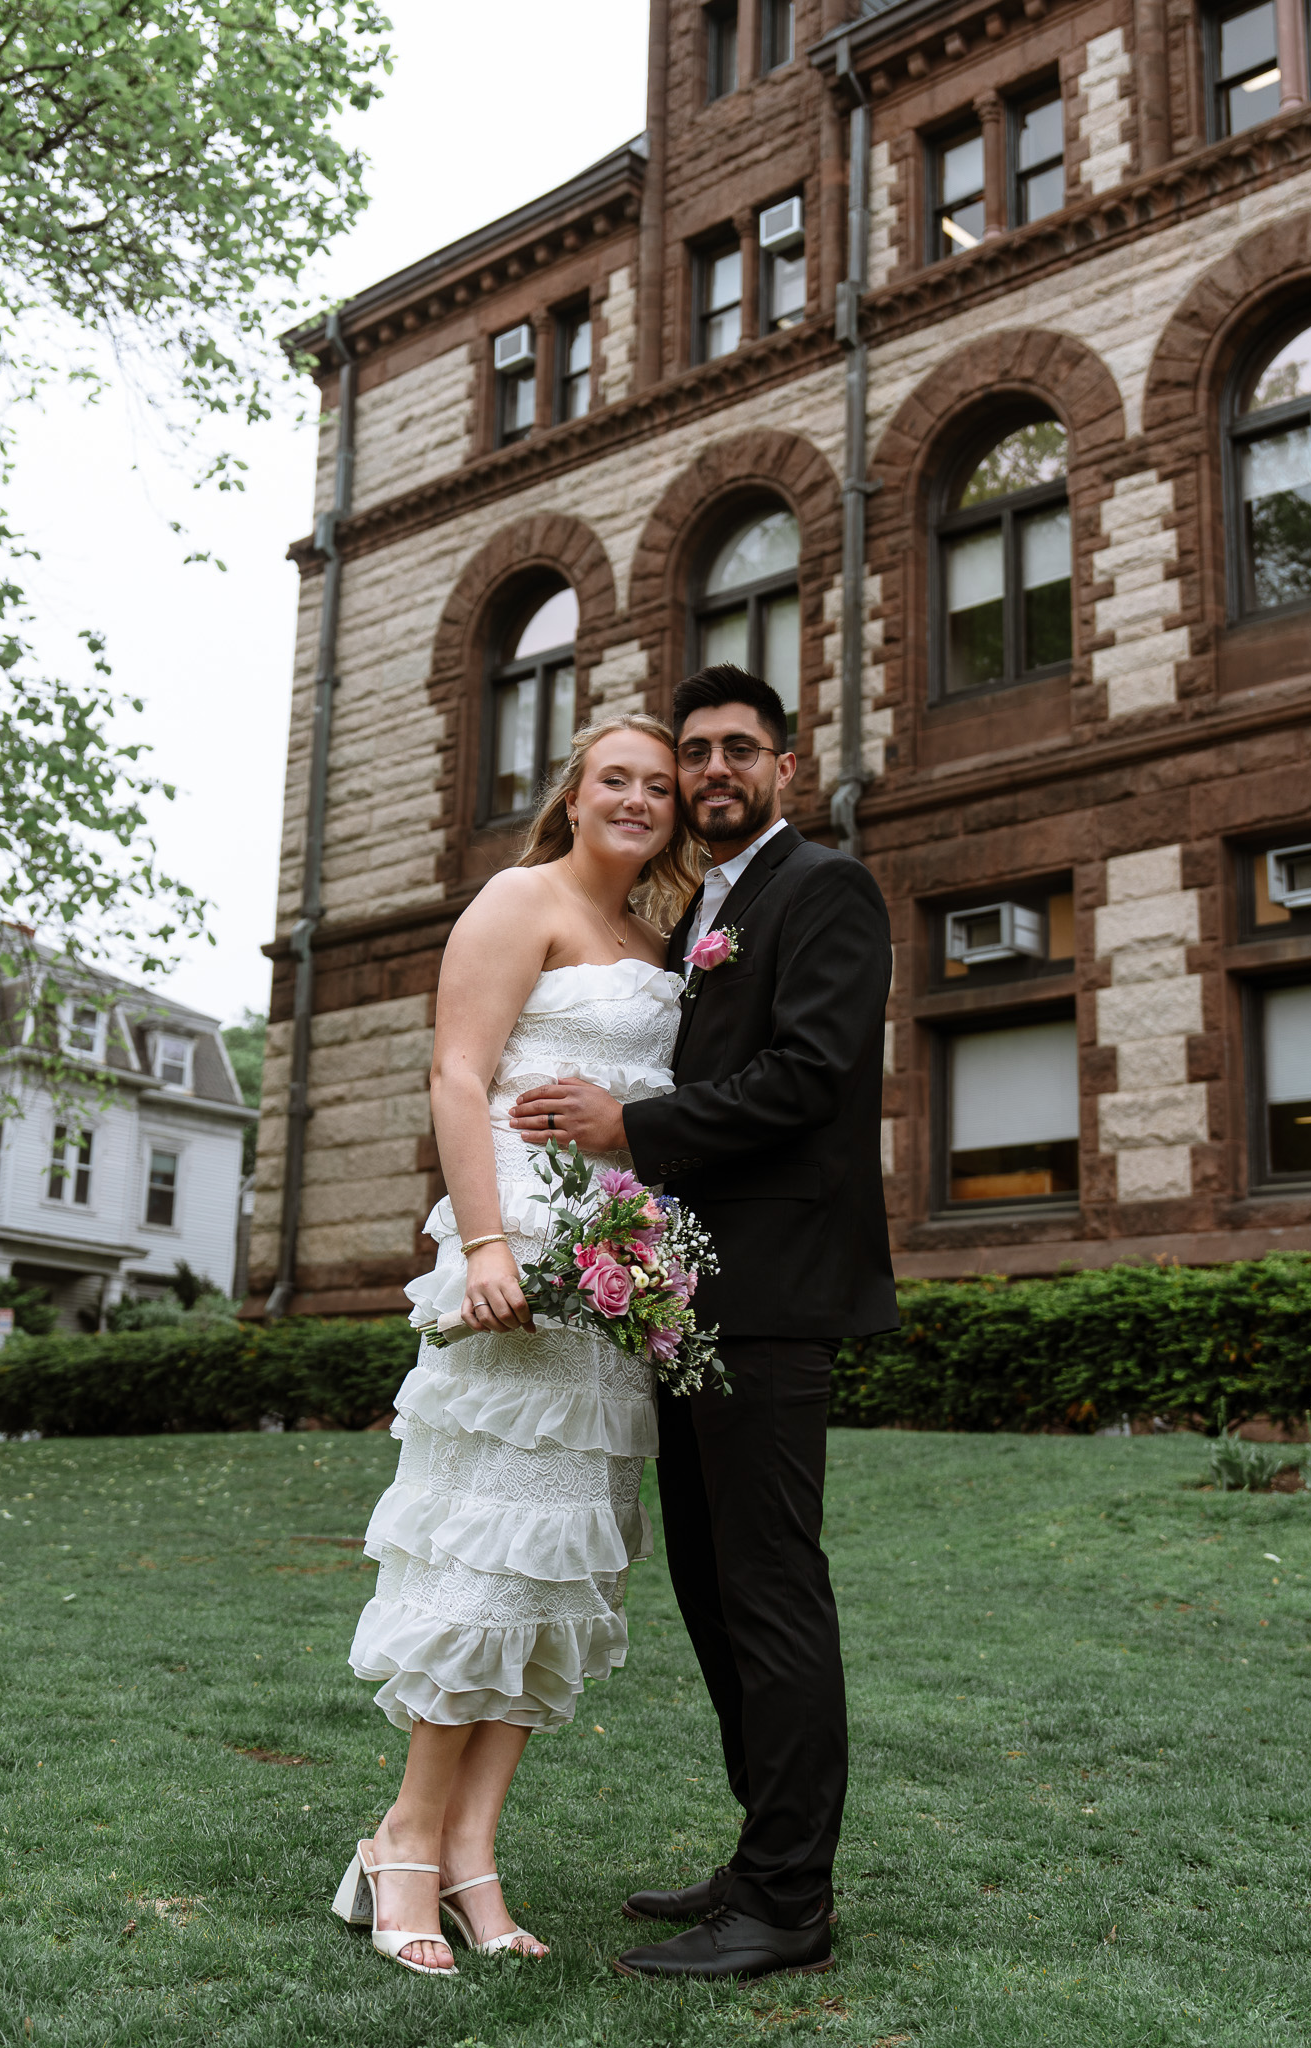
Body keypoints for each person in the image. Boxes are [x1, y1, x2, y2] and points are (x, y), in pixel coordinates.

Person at [509, 664, 896, 1982]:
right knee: (717, 1595)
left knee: (771, 1589)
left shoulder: (825, 887)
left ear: (785, 766)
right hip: (689, 1296)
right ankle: (763, 1851)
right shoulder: (697, 910)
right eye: (696, 752)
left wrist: (634, 1127)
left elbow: (809, 1075)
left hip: (774, 1294)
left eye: (740, 747)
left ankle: (788, 1901)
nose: (714, 769)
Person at [334, 712, 701, 1976]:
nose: (639, 798)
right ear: (574, 792)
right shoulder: (518, 897)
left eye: (659, 786)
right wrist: (486, 1244)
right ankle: (404, 1837)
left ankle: (473, 1853)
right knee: (486, 1558)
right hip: (517, 1263)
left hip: (614, 1289)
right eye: (616, 778)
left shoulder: (657, 938)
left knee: (555, 1573)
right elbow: (458, 1074)